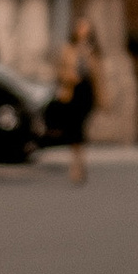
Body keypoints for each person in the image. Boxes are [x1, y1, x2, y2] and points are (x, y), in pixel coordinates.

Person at [47, 19, 100, 186]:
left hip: (87, 92)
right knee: (74, 128)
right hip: (73, 91)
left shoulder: (92, 50)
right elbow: (60, 71)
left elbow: (98, 75)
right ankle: (77, 164)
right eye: (81, 28)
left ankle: (80, 162)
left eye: (86, 28)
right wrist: (70, 76)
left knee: (82, 127)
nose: (83, 31)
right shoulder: (68, 50)